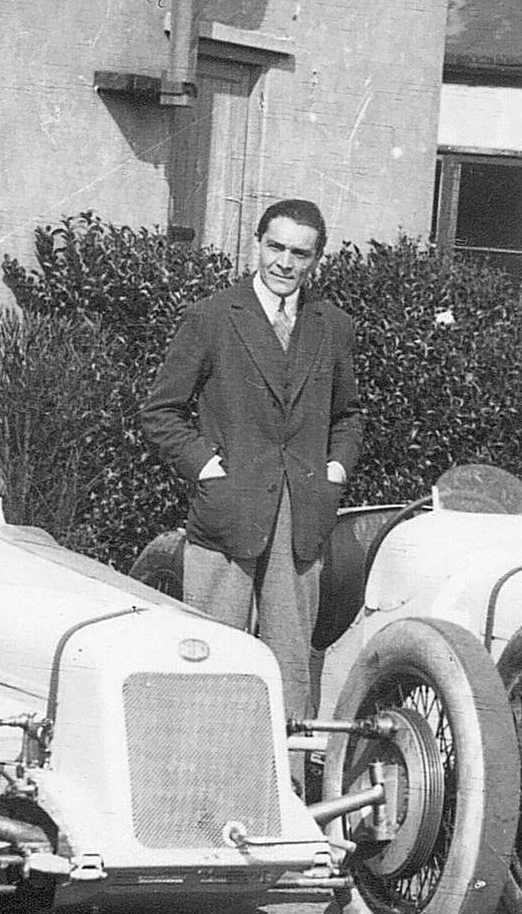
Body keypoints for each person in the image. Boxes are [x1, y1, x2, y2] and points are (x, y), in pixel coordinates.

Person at [143, 198, 365, 719]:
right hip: (227, 509)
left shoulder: (331, 326)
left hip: (302, 516)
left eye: (300, 253)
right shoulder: (214, 316)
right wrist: (206, 469)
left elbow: (349, 414)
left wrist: (334, 471)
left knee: (290, 662)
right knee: (210, 657)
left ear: (317, 260)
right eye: (276, 247)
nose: (285, 263)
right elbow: (160, 412)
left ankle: (283, 787)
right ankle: (201, 785)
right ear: (257, 245)